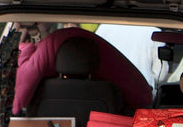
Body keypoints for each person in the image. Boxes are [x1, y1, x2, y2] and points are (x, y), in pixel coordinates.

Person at [12, 25, 153, 115]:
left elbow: (17, 104)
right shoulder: (52, 45)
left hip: (140, 97)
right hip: (141, 97)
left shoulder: (43, 53)